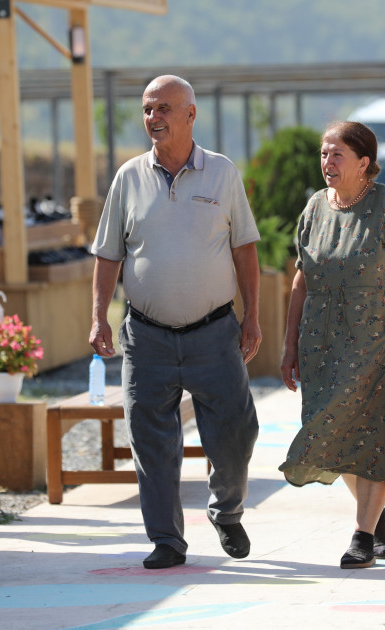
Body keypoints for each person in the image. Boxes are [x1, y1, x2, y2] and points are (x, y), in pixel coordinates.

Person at [90, 75, 261, 570]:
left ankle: (226, 510)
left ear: (190, 115)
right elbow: (108, 254)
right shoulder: (128, 177)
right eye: (147, 109)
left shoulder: (223, 174)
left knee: (237, 434)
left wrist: (252, 317)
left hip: (214, 332)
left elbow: (244, 248)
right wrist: (98, 316)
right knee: (151, 442)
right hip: (146, 337)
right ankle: (167, 539)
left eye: (164, 108)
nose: (153, 118)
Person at [278, 120, 385, 569]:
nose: (327, 163)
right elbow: (301, 280)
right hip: (322, 344)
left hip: (381, 341)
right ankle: (375, 520)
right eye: (323, 154)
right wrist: (289, 343)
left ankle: (360, 535)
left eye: (337, 155)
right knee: (331, 432)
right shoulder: (315, 208)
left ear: (364, 163)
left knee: (372, 433)